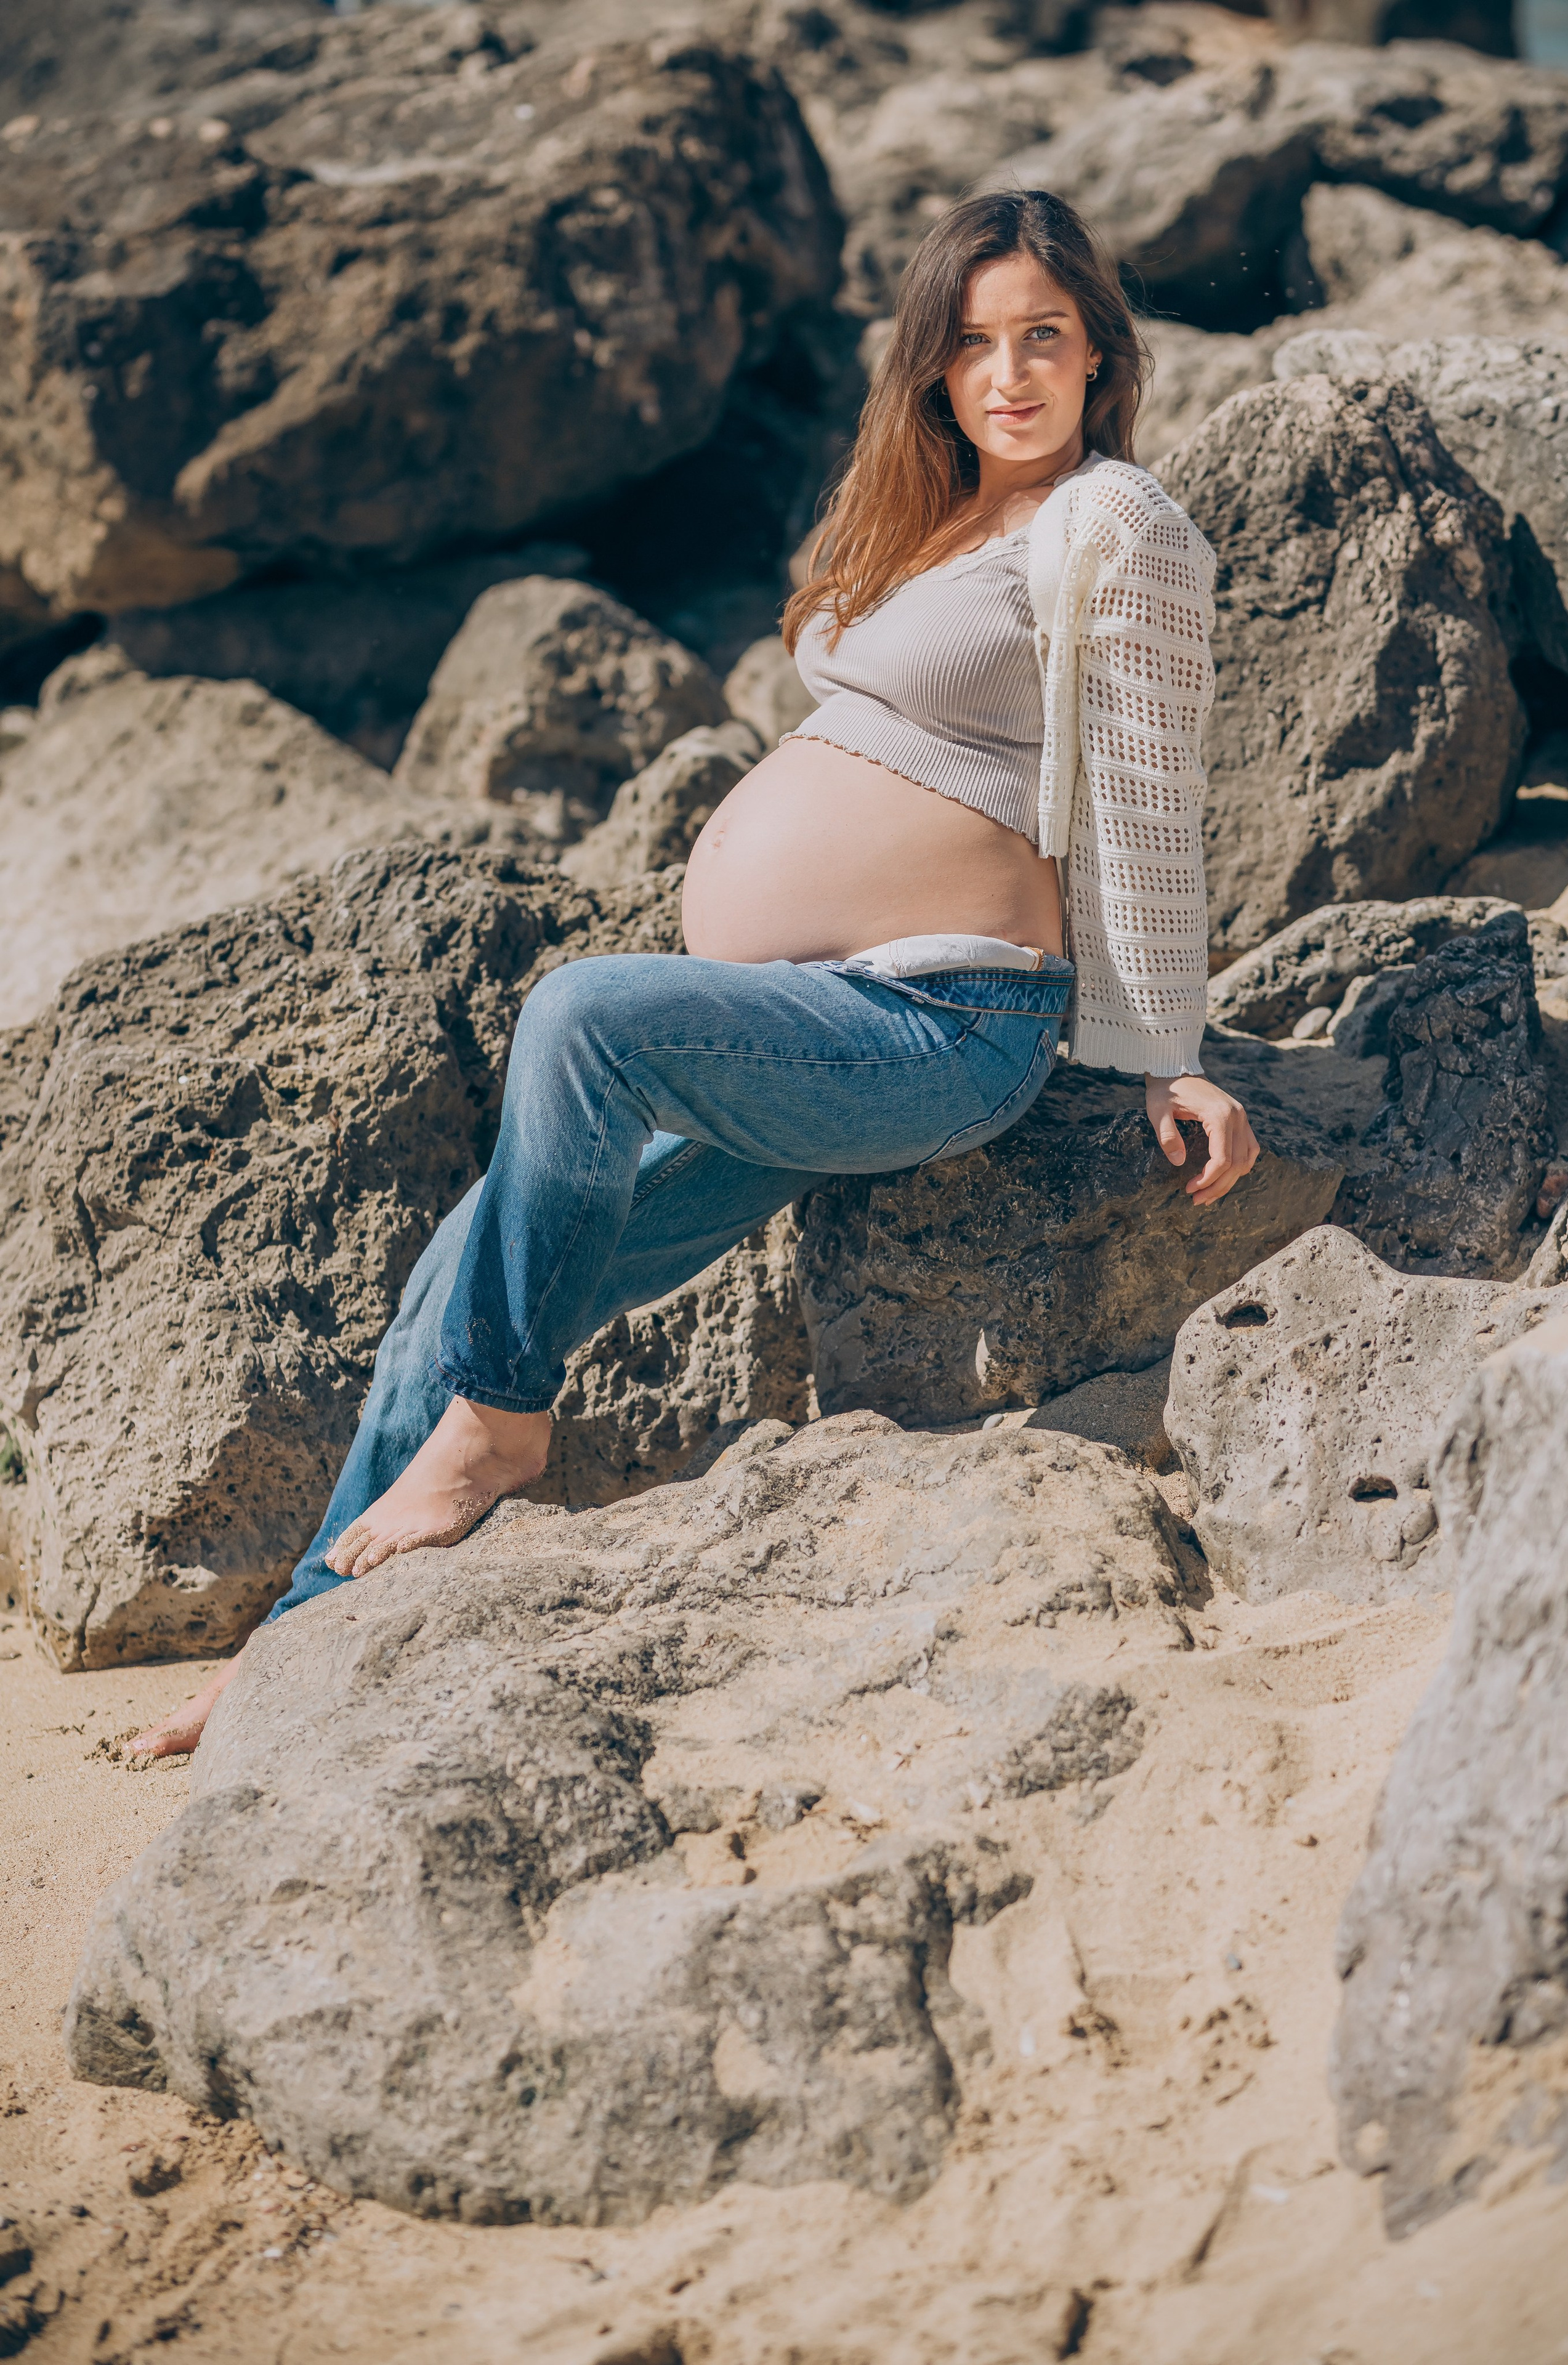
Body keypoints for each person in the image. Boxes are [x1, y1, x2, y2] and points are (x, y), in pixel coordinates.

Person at [131, 186, 1258, 1759]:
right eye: (972, 344)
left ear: (1098, 355)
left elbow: (1145, 787)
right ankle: (293, 1650)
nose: (1007, 375)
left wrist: (1167, 1052)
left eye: (1041, 338)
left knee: (579, 1017)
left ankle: (500, 1433)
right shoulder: (927, 512)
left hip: (940, 1028)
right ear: (930, 367)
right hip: (797, 1035)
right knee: (456, 1280)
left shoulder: (1110, 520)